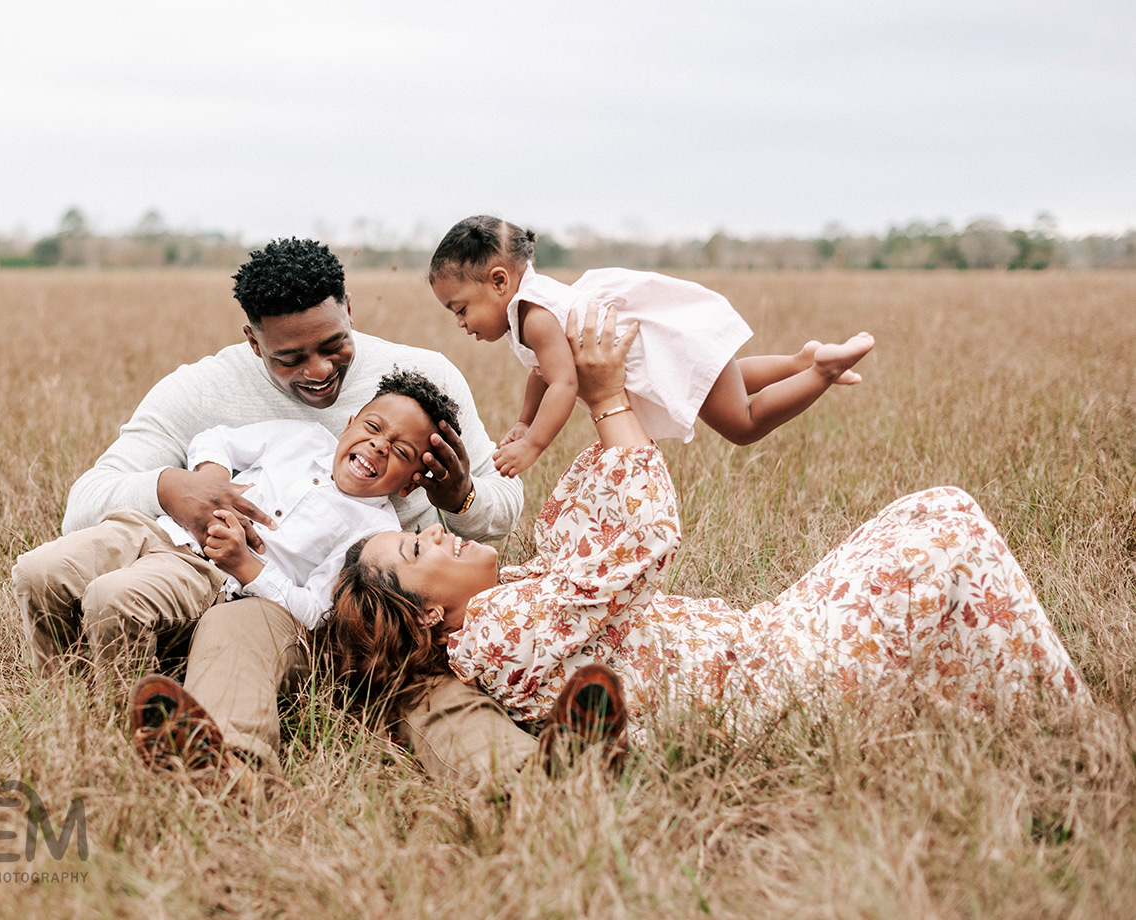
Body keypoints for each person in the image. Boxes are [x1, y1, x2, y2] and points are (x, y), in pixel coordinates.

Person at [327, 305, 1090, 746]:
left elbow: (586, 541)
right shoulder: (494, 633)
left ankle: (1007, 710)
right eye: (421, 547)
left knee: (928, 519)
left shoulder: (503, 612)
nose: (441, 534)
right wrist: (607, 405)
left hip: (764, 647)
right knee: (946, 523)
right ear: (427, 610)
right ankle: (1073, 731)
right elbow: (636, 547)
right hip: (775, 686)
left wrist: (613, 402)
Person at [56, 237, 539, 787]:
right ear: (254, 343)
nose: (318, 370)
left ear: (349, 309)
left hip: (387, 609)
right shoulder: (199, 391)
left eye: (334, 344)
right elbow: (84, 505)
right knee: (236, 625)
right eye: (290, 357)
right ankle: (233, 771)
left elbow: (503, 514)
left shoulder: (424, 380)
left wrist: (460, 498)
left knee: (425, 681)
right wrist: (172, 486)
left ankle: (525, 774)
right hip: (260, 599)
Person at [12, 369, 461, 676]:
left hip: (207, 573)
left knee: (112, 599)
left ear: (409, 486)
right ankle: (64, 693)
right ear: (348, 425)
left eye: (400, 451)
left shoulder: (371, 535)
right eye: (373, 426)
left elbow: (314, 611)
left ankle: (110, 718)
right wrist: (211, 483)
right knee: (37, 571)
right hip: (152, 529)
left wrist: (247, 565)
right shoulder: (300, 437)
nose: (379, 446)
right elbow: (217, 439)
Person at [428, 215, 876, 476]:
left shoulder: (534, 316)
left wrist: (535, 445)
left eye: (460, 308)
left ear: (499, 281)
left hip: (660, 355)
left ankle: (820, 372)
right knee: (721, 378)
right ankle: (801, 359)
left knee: (744, 424)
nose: (461, 323)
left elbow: (563, 384)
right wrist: (524, 422)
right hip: (665, 350)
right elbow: (541, 374)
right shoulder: (527, 311)